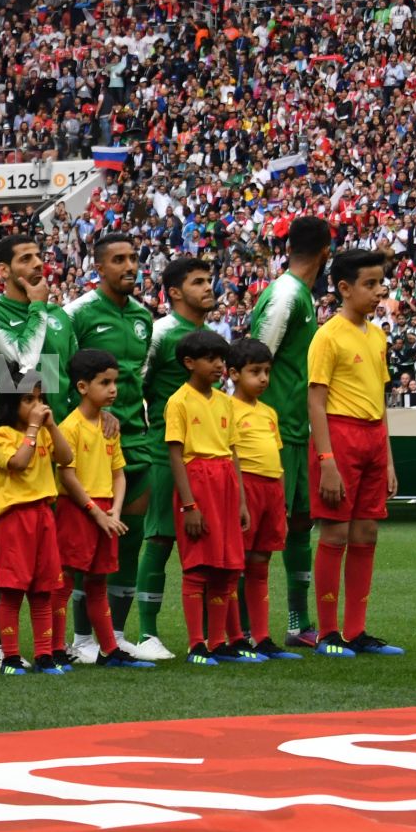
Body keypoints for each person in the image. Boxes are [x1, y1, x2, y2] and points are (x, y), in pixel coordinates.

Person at [64, 232, 162, 659]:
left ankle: (115, 634)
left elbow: (139, 376)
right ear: (99, 267)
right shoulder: (79, 313)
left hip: (133, 438)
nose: (129, 266)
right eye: (119, 259)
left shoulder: (143, 317)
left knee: (129, 537)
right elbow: (66, 373)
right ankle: (81, 638)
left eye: (134, 258)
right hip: (90, 445)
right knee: (84, 545)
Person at [307, 248, 405, 658]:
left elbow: (379, 400)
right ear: (344, 289)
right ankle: (328, 633)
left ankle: (357, 631)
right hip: (340, 437)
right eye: (370, 284)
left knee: (366, 532)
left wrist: (389, 459)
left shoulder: (377, 334)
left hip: (372, 438)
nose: (379, 292)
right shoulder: (328, 335)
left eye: (381, 283)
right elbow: (316, 400)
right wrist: (327, 461)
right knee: (336, 532)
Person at [248, 215, 331, 649]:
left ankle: (298, 624)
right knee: (261, 530)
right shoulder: (285, 294)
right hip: (270, 432)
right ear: (326, 252)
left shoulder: (299, 295)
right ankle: (246, 628)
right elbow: (254, 356)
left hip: (295, 430)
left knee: (300, 524)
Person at [134, 256, 218, 658]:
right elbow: (138, 384)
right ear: (174, 293)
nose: (208, 287)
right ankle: (147, 634)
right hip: (165, 452)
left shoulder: (209, 337)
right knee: (161, 536)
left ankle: (206, 634)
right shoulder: (161, 334)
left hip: (210, 456)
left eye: (209, 280)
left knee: (206, 542)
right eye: (198, 282)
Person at [164, 329, 259, 667]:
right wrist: (189, 505)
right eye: (212, 359)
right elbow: (176, 455)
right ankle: (196, 644)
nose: (219, 365)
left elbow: (232, 451)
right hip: (198, 482)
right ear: (189, 363)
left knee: (227, 568)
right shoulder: (179, 401)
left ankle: (218, 642)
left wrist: (242, 501)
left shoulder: (223, 401)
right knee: (199, 566)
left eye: (222, 359)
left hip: (225, 484)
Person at [52, 350, 150, 670]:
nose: (113, 389)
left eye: (114, 382)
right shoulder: (70, 427)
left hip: (105, 510)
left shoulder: (110, 426)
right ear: (82, 387)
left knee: (97, 582)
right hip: (78, 509)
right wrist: (96, 511)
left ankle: (108, 650)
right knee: (64, 580)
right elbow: (66, 475)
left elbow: (118, 472)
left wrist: (116, 511)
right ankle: (54, 648)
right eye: (104, 382)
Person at [0, 371, 73, 675]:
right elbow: (18, 464)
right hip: (14, 517)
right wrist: (34, 428)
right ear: (10, 403)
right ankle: (10, 656)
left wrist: (49, 425)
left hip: (44, 515)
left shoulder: (45, 431)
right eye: (28, 399)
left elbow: (66, 457)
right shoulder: (0, 436)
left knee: (43, 589)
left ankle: (45, 655)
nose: (37, 405)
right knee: (12, 590)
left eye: (40, 398)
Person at [227, 338, 300, 659]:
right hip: (246, 489)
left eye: (267, 371)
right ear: (233, 374)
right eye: (255, 371)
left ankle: (262, 637)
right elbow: (231, 456)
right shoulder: (226, 408)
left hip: (271, 491)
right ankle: (234, 637)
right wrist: (239, 498)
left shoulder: (269, 412)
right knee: (234, 567)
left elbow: (277, 457)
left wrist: (282, 500)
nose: (263, 378)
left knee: (261, 564)